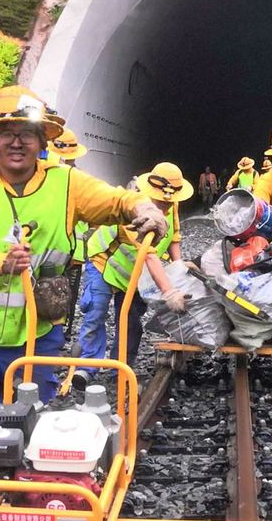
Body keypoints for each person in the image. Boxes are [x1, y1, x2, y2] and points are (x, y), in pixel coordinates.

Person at [0, 86, 167, 478]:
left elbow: (116, 201)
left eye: (26, 133)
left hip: (41, 327)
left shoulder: (66, 182)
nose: (16, 141)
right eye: (6, 132)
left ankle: (31, 492)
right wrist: (2, 261)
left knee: (37, 416)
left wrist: (143, 206)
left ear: (42, 140)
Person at [75, 162, 191, 389]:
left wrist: (179, 266)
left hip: (134, 275)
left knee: (130, 322)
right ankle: (86, 367)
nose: (165, 207)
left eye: (169, 202)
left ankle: (120, 371)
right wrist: (169, 292)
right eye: (161, 201)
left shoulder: (171, 205)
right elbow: (148, 254)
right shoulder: (135, 211)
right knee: (95, 313)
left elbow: (174, 236)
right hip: (105, 263)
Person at [47, 128, 91, 325]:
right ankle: (57, 331)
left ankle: (60, 331)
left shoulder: (79, 181)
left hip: (69, 253)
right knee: (59, 294)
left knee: (64, 295)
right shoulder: (44, 177)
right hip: (64, 252)